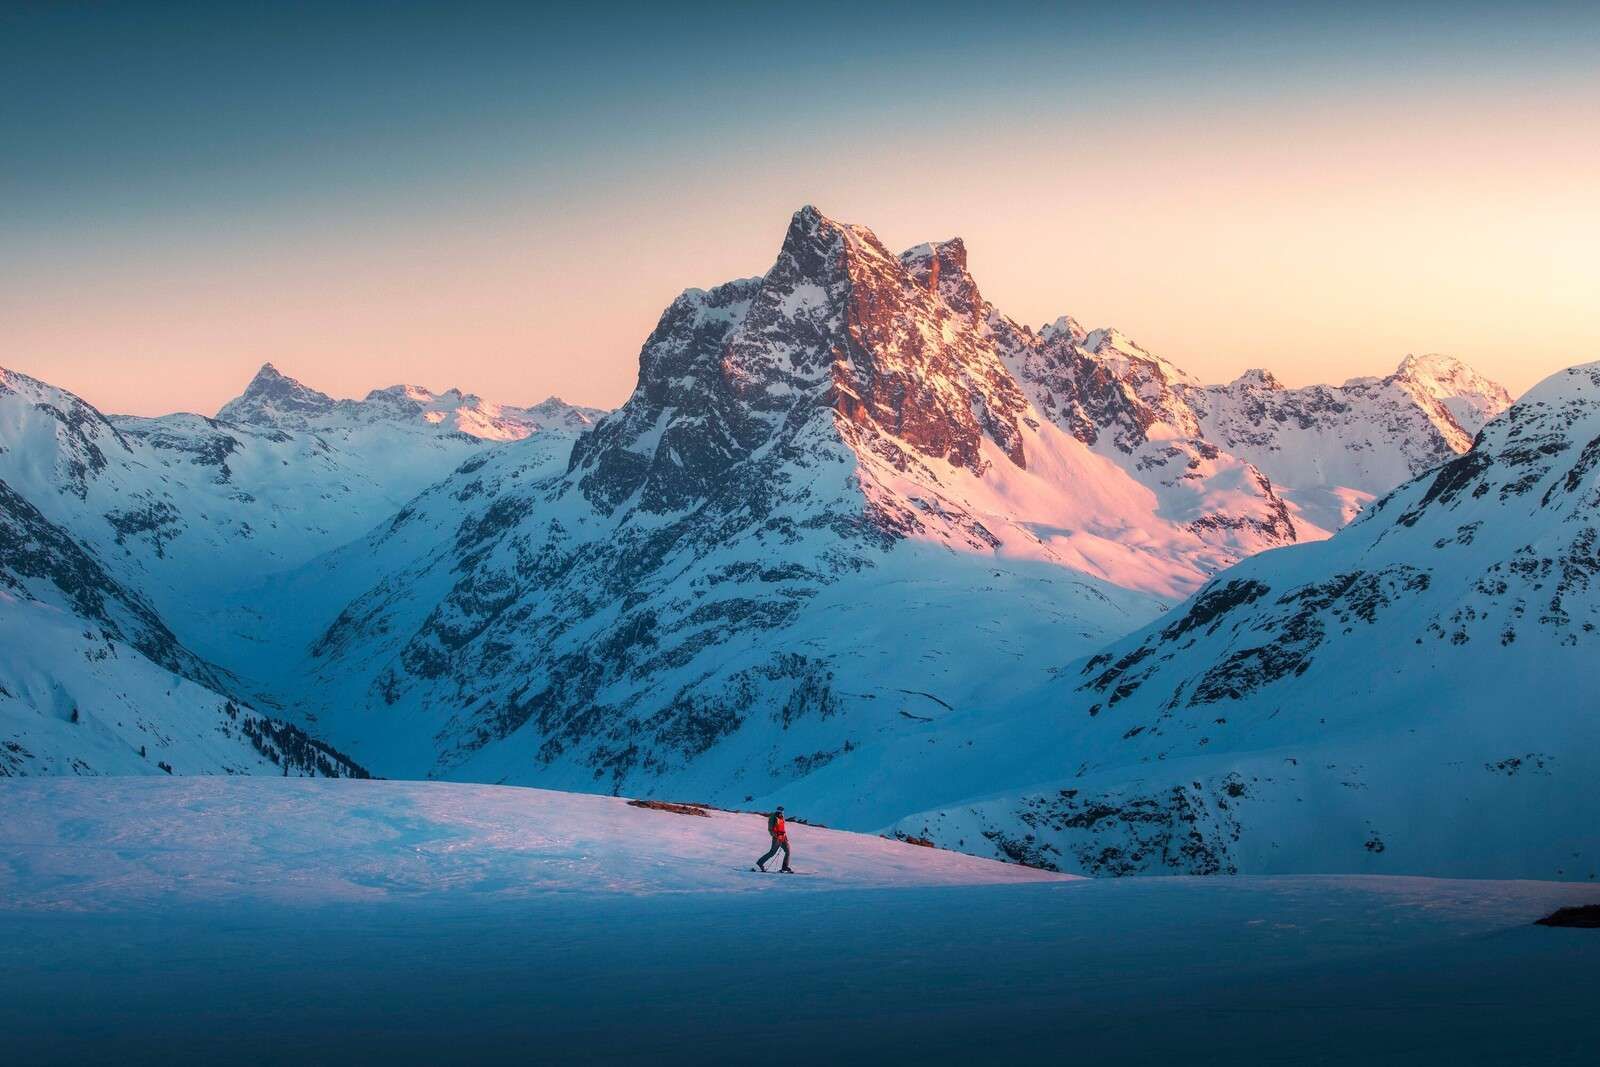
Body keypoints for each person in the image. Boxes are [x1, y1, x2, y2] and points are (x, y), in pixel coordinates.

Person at [756, 805, 793, 873]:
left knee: (788, 850)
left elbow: (782, 828)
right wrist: (775, 835)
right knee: (772, 852)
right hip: (777, 838)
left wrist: (785, 837)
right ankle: (760, 863)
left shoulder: (782, 817)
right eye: (780, 811)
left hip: (783, 837)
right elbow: (770, 829)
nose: (781, 812)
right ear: (777, 810)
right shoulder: (773, 817)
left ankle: (784, 867)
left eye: (782, 811)